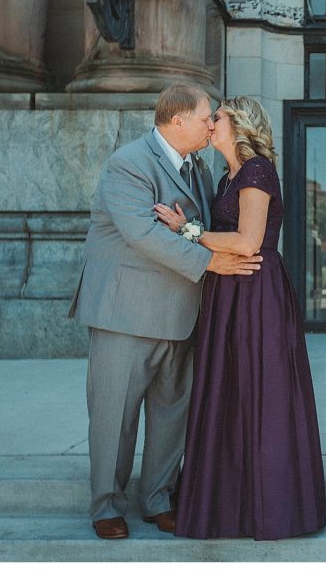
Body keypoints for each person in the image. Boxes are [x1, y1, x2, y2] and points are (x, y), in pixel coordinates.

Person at [69, 84, 262, 541]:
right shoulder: (129, 164)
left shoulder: (198, 166)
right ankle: (107, 505)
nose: (212, 125)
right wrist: (214, 261)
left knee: (172, 414)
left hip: (182, 311)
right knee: (114, 416)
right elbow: (142, 234)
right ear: (177, 121)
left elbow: (193, 229)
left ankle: (157, 499)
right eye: (205, 118)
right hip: (126, 314)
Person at [154, 97, 326, 540]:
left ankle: (268, 507)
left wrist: (187, 230)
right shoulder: (226, 175)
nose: (210, 125)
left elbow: (249, 241)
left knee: (260, 389)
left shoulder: (256, 171)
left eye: (218, 118)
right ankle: (227, 504)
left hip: (255, 292)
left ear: (240, 125)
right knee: (229, 390)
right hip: (226, 291)